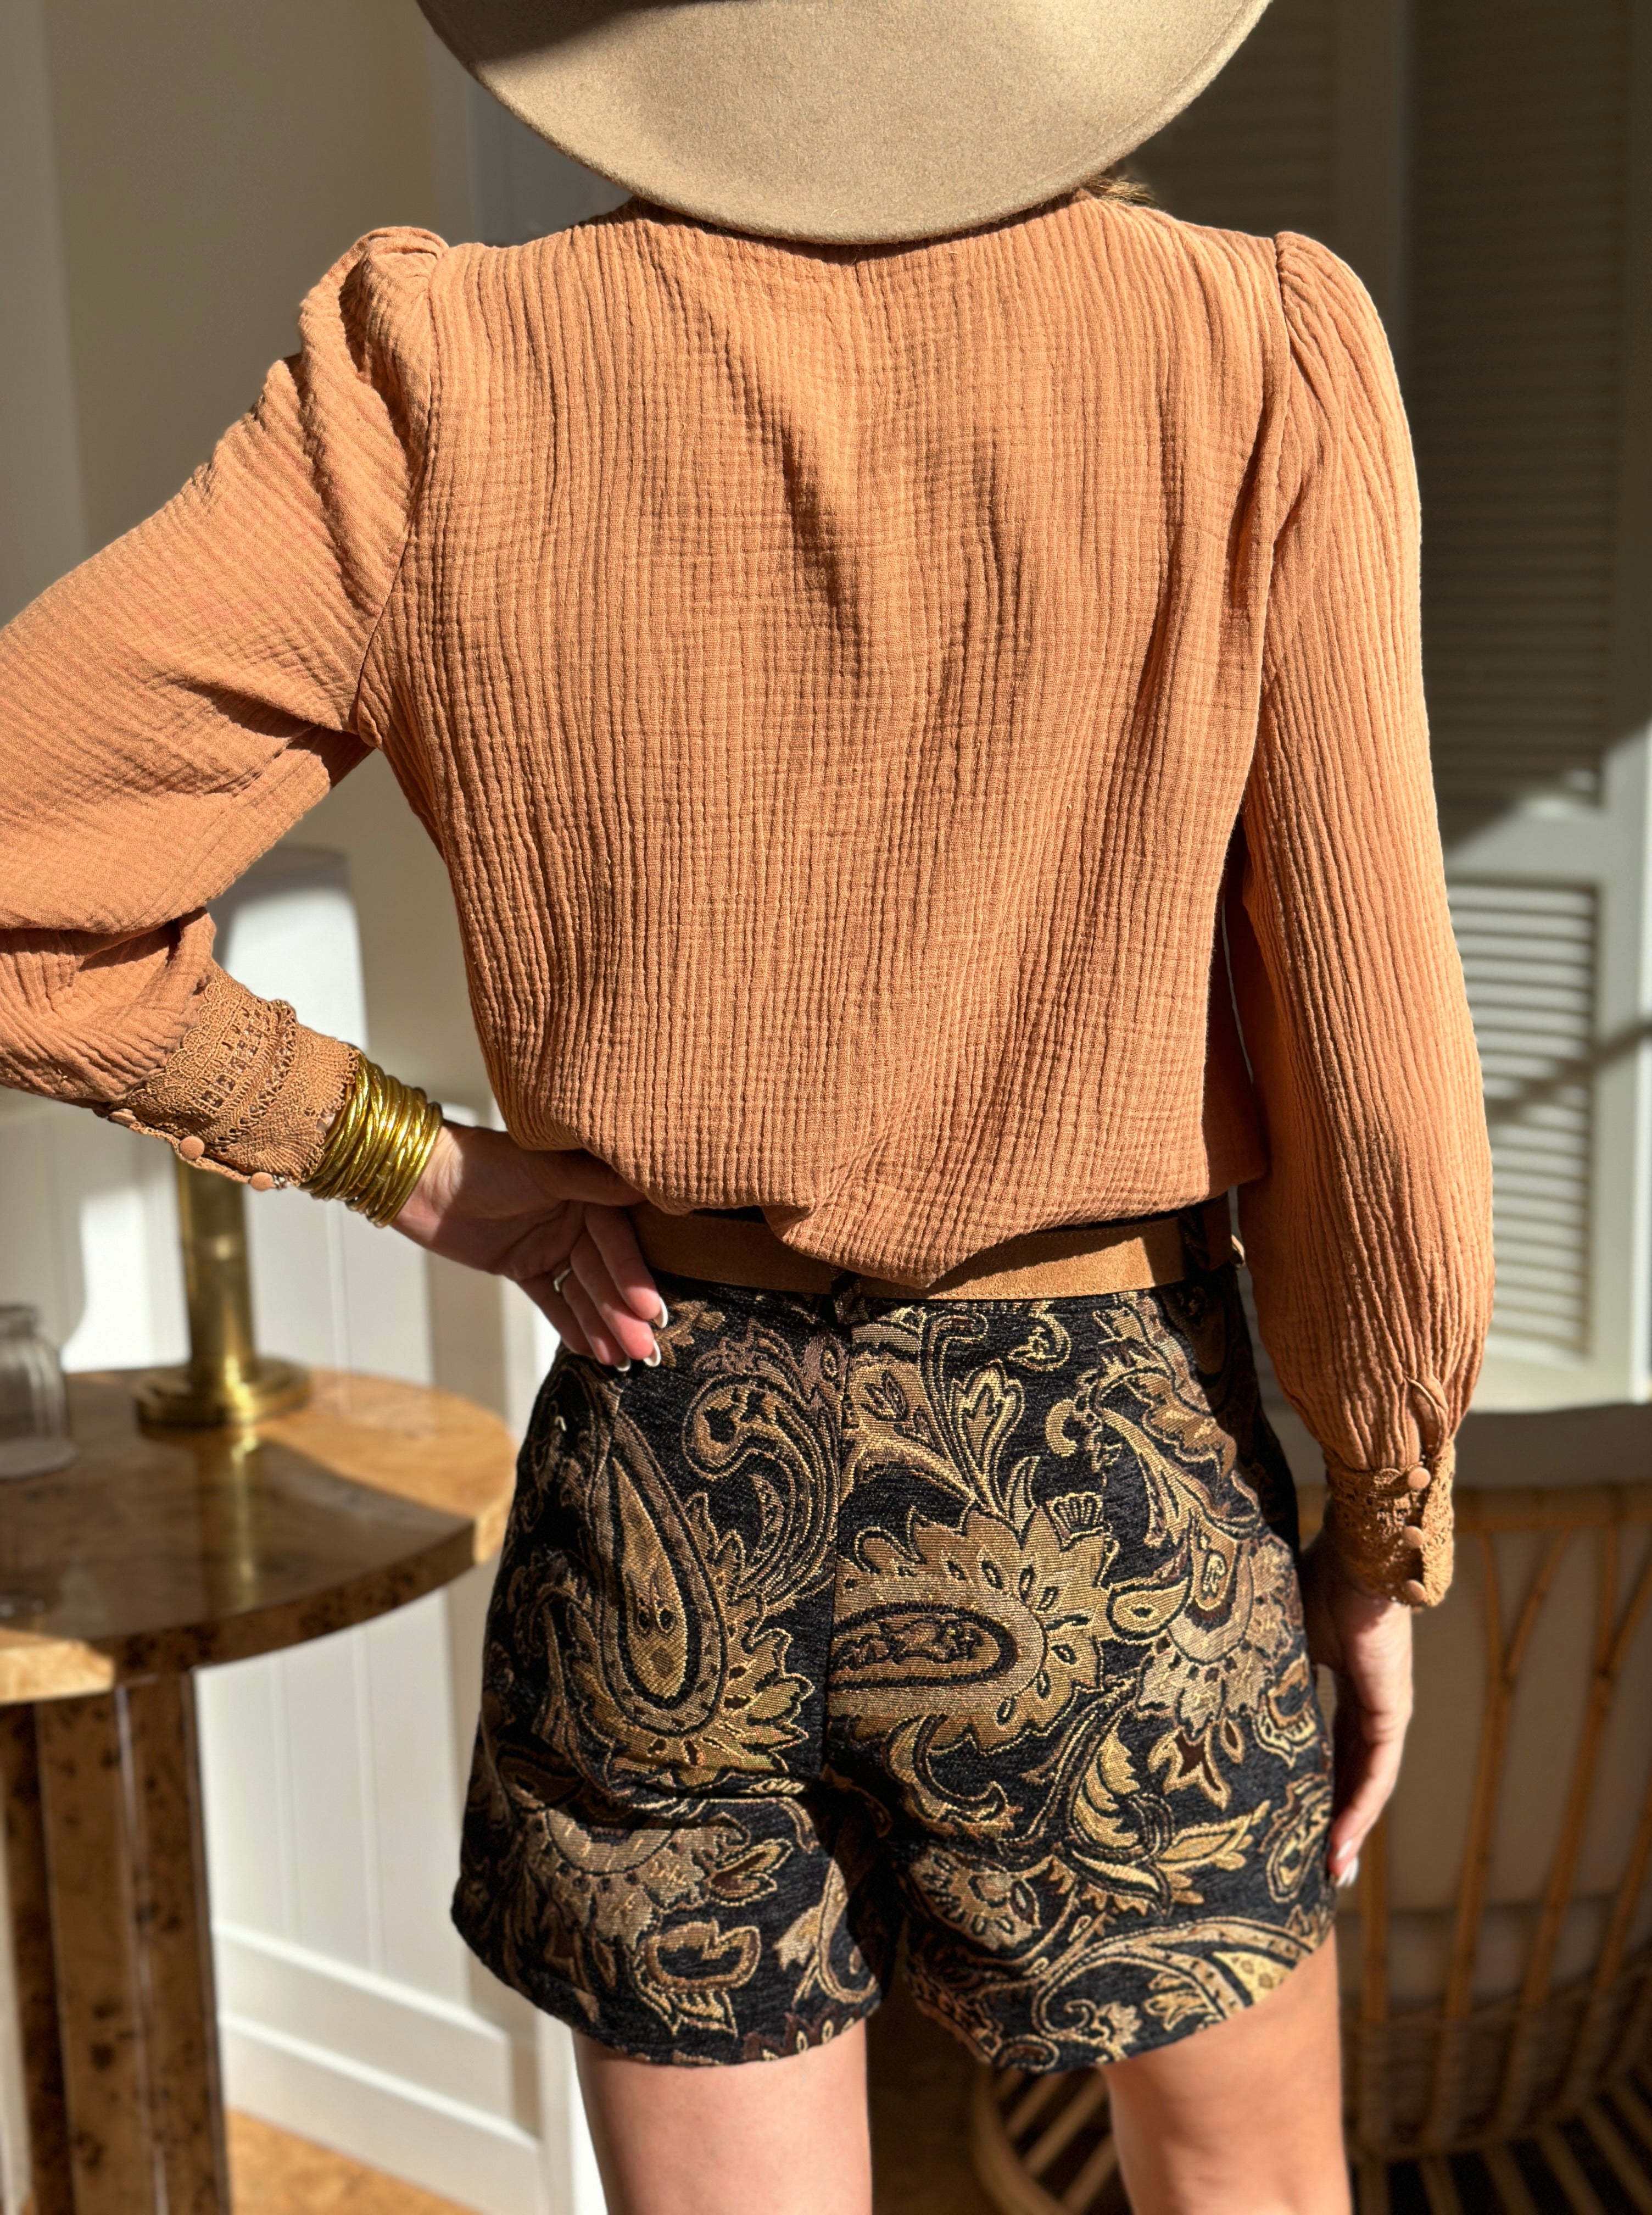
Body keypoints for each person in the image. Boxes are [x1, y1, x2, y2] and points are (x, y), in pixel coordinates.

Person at [0, 0, 1492, 2207]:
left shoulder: (442, 371)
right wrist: (1380, 1524)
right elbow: (1377, 1044)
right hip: (1112, 1487)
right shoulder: (1251, 351)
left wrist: (428, 1171)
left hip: (667, 1462)